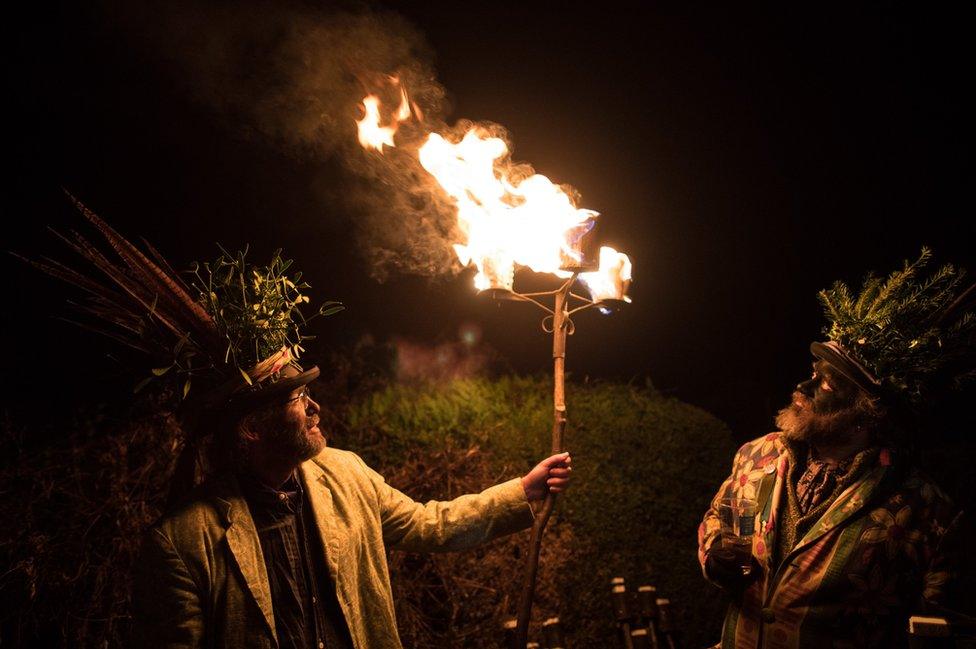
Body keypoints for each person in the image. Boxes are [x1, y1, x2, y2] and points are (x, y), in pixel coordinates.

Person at [130, 363, 572, 649]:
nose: (315, 406)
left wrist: (522, 492)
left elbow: (427, 524)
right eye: (296, 398)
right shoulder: (183, 541)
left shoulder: (346, 474)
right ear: (252, 428)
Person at [698, 250, 972, 648]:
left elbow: (938, 626)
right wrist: (714, 553)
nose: (803, 388)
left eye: (827, 384)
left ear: (865, 412)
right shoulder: (755, 456)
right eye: (813, 374)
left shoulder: (923, 511)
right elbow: (716, 519)